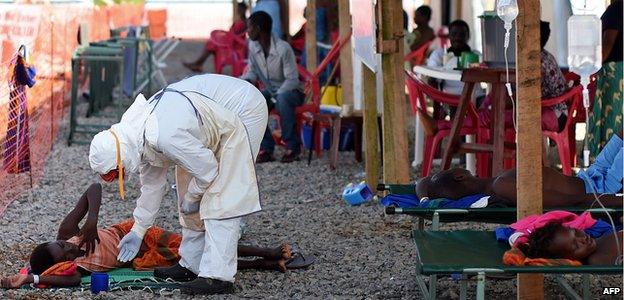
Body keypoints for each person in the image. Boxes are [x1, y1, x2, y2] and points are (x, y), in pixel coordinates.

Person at [87, 74, 268, 295]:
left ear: (120, 158)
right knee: (186, 187)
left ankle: (217, 276)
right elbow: (152, 187)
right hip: (206, 120)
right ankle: (191, 263)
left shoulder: (165, 135)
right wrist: (138, 230)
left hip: (243, 108)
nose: (118, 177)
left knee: (221, 194)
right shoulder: (137, 136)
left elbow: (208, 170)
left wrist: (194, 197)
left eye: (115, 173)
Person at [0, 184, 297, 289]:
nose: (68, 245)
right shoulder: (72, 269)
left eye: (62, 243)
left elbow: (94, 188)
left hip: (131, 232)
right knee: (195, 261)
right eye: (64, 250)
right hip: (140, 258)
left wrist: (90, 222)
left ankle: (269, 252)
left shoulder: (69, 232)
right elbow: (72, 280)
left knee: (196, 244)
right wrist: (31, 279)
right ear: (61, 262)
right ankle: (265, 264)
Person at [416, 132, 623, 207]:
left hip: (589, 176)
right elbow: (570, 201)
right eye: (450, 170)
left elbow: (421, 182)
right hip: (604, 187)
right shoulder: (503, 186)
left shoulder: (497, 182)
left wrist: (425, 199)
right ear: (460, 176)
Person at [241, 11, 304, 163]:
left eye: (249, 28)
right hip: (272, 92)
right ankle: (267, 148)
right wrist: (243, 81)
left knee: (282, 99)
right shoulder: (253, 46)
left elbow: (292, 80)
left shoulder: (283, 49)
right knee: (254, 102)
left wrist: (276, 96)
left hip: (291, 92)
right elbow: (252, 71)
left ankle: (292, 147)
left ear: (258, 28)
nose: (247, 31)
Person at [587, 0, 623, 159]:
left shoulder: (617, 9)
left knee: (611, 121)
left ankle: (609, 163)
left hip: (615, 76)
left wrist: (590, 67)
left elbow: (607, 43)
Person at [183, 2, 248, 73]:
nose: (238, 10)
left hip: (235, 46)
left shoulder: (243, 21)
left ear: (244, 9)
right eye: (238, 8)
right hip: (231, 43)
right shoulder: (241, 20)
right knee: (212, 43)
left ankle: (198, 63)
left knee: (212, 44)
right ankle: (198, 63)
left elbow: (234, 35)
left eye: (239, 9)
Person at [519, 222, 622, 265]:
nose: (583, 239)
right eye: (576, 246)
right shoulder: (597, 260)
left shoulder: (600, 240)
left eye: (576, 232)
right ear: (569, 258)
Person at [426, 20, 479, 95]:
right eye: (454, 34)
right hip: (449, 97)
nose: (458, 38)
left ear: (468, 36)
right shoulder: (440, 54)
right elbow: (431, 78)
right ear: (448, 36)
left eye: (462, 35)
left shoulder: (475, 55)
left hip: (474, 97)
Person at [539, 20, 570, 132]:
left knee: (521, 117)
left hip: (556, 114)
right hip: (562, 112)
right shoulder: (545, 55)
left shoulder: (538, 61)